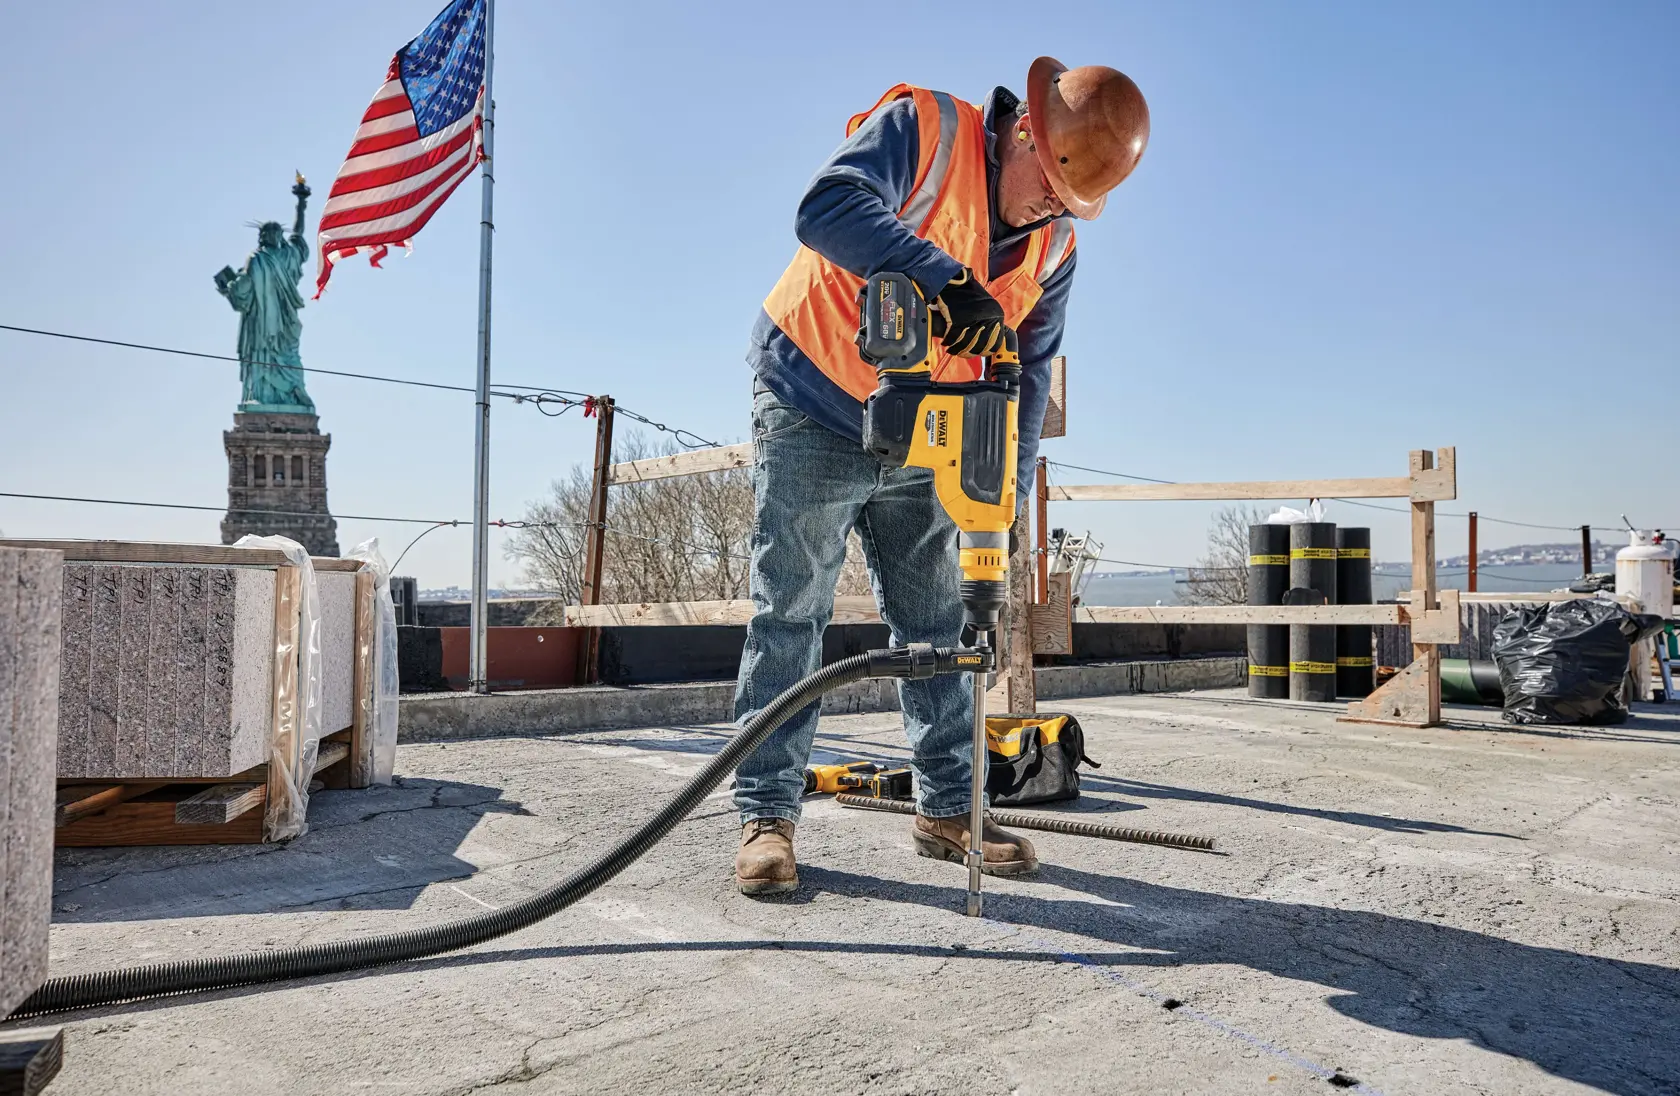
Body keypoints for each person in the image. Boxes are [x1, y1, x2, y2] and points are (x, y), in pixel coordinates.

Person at [733, 57, 1150, 895]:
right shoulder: (926, 127)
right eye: (1049, 187)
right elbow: (825, 210)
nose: (1049, 209)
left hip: (930, 426)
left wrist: (1003, 497)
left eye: (1069, 205)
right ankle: (767, 817)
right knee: (792, 608)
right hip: (814, 393)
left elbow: (1031, 370)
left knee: (938, 625)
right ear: (1027, 130)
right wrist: (945, 280)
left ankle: (949, 808)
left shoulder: (1056, 245)